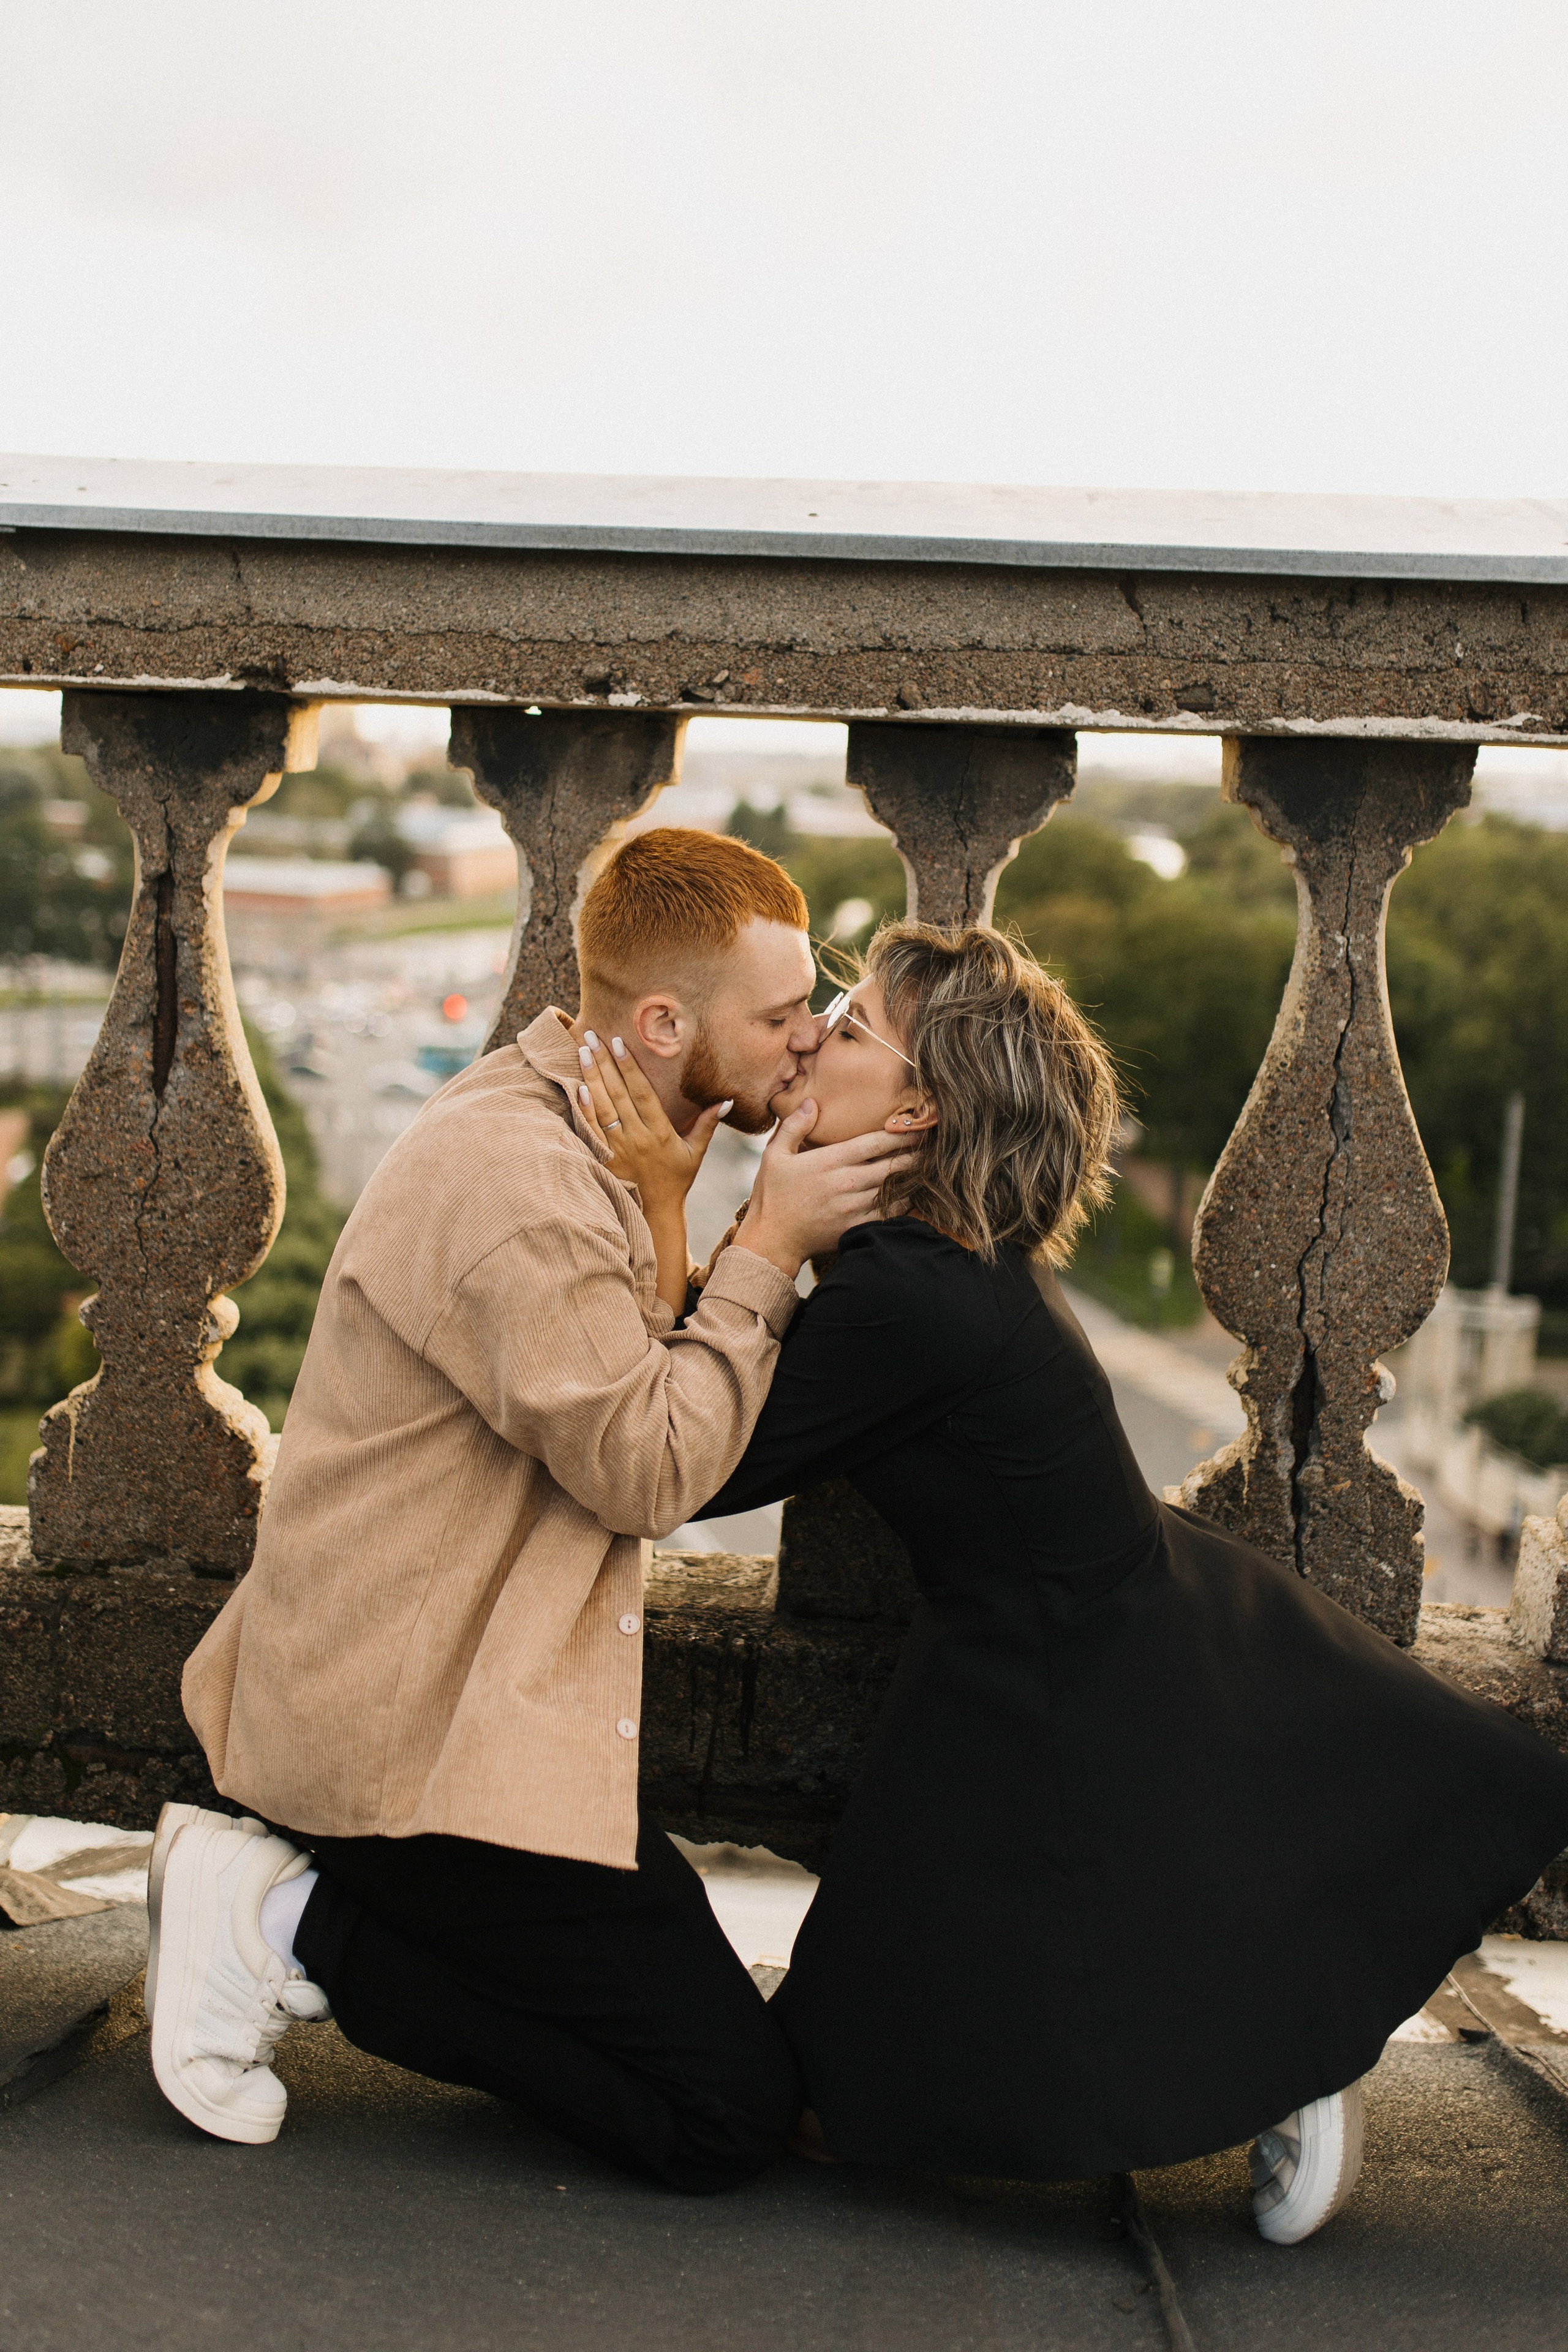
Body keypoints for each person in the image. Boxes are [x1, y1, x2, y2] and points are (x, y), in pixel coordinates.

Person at [577, 917, 1568, 2246]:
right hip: (1088, 1628)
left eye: (852, 1026)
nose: (811, 1034)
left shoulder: (908, 1300)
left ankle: (1290, 2071)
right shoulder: (930, 1258)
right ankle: (1287, 2062)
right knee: (875, 2066)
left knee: (830, 2103)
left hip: (1050, 1681)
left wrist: (691, 1203)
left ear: (921, 1107)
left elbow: (680, 1455)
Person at [147, 827, 913, 2194]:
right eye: (784, 1013)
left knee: (730, 2070)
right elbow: (649, 1471)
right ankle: (285, 1919)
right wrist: (767, 1246)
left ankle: (314, 1911)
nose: (809, 1040)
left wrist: (679, 1205)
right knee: (722, 2119)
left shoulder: (603, 1131)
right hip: (404, 1751)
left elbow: (628, 1352)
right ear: (663, 1019)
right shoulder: (520, 1184)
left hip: (483, 1717)